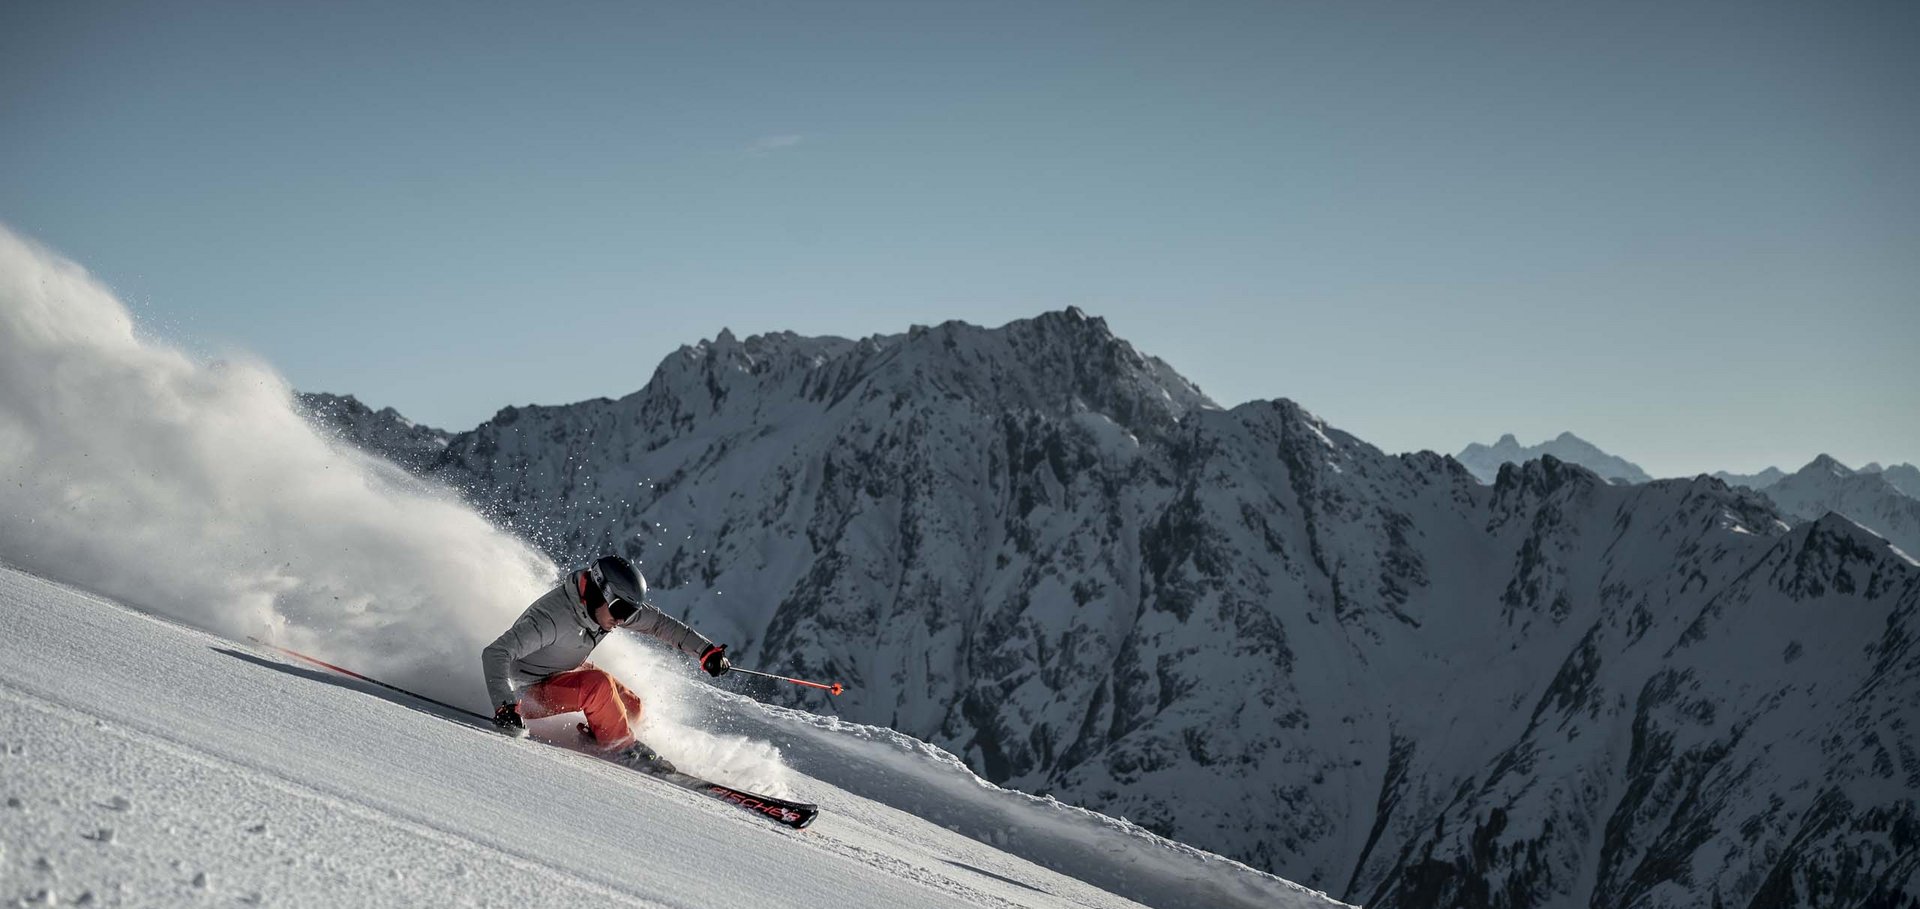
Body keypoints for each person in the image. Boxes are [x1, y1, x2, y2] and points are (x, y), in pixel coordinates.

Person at [481, 554, 730, 770]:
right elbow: (496, 653)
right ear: (601, 592)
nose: (623, 620)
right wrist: (505, 706)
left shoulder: (607, 609)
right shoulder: (552, 618)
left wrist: (705, 650)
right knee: (597, 686)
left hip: (558, 671)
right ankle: (622, 750)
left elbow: (658, 624)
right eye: (622, 610)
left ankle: (605, 738)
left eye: (630, 612)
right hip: (524, 692)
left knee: (632, 706)